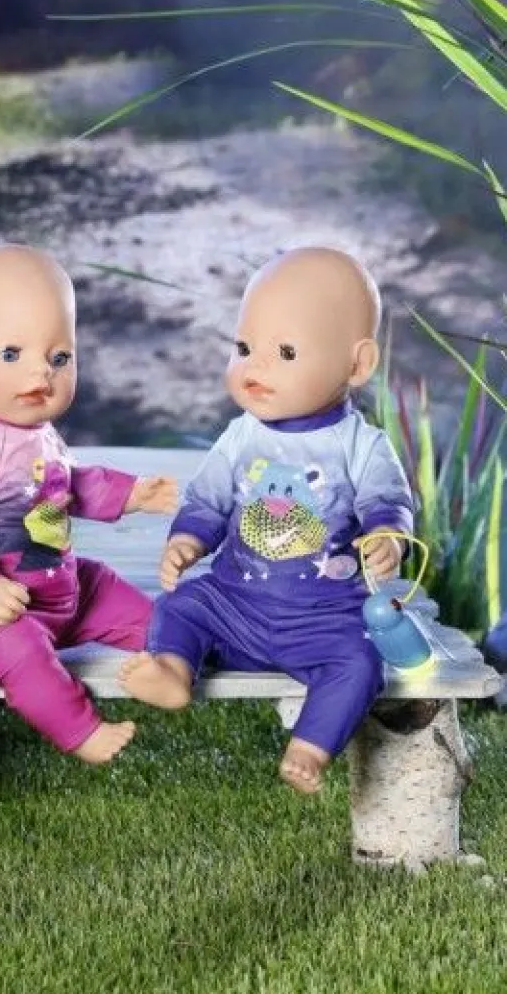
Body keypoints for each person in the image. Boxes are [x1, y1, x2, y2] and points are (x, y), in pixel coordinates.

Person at [119, 245, 414, 794]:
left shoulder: (360, 444)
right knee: (181, 605)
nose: (254, 367)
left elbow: (387, 500)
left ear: (357, 365)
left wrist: (387, 539)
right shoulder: (241, 436)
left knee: (360, 662)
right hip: (236, 605)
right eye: (244, 348)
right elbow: (208, 499)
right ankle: (174, 672)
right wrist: (187, 540)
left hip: (324, 620)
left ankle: (311, 744)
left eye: (285, 351)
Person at [0, 243, 178, 764]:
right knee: (23, 652)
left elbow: (67, 484)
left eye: (59, 358)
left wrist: (130, 493)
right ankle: (80, 730)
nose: (41, 374)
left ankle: (177, 653)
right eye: (11, 354)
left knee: (112, 591)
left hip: (57, 589)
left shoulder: (33, 431)